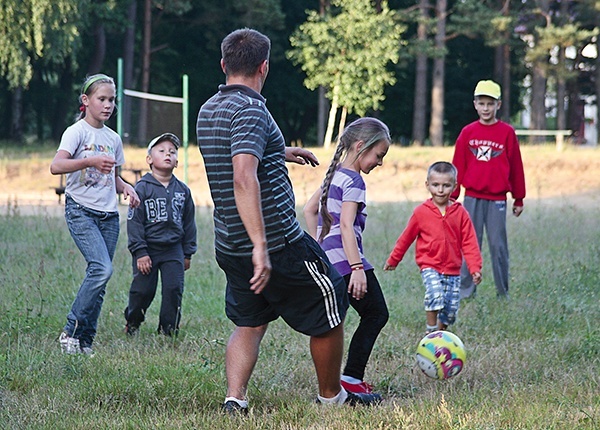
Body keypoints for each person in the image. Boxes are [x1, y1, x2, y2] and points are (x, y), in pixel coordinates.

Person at [197, 28, 381, 413]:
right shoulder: (251, 109)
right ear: (264, 66)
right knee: (331, 303)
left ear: (223, 64)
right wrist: (262, 245)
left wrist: (279, 149)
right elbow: (242, 175)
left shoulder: (210, 108)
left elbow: (236, 149)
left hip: (229, 244)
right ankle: (332, 398)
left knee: (250, 320)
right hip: (276, 243)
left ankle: (235, 400)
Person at [50, 73, 140, 355]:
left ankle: (84, 342)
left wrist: (126, 187)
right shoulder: (76, 132)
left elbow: (112, 177)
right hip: (81, 210)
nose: (108, 105)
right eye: (102, 99)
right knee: (102, 268)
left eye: (112, 100)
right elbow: (56, 166)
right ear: (86, 101)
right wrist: (89, 160)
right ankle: (70, 331)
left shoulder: (113, 138)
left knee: (100, 278)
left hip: (109, 216)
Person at [303, 117, 390, 395]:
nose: (379, 163)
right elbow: (345, 225)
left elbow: (309, 209)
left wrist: (320, 246)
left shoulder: (336, 174)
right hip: (347, 264)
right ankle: (351, 379)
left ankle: (339, 382)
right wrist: (356, 267)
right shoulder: (354, 181)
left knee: (338, 322)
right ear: (361, 146)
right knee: (376, 314)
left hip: (329, 262)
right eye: (379, 155)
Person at [383, 162, 482, 334]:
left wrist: (475, 268)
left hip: (453, 269)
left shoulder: (460, 213)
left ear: (454, 186)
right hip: (430, 266)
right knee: (435, 295)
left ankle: (441, 333)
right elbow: (406, 238)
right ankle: (430, 331)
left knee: (450, 310)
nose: (441, 190)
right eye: (436, 185)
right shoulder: (421, 212)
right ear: (427, 185)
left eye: (446, 185)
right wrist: (394, 260)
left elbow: (469, 242)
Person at [451, 80, 526, 299]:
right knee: (470, 245)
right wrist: (452, 196)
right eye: (481, 103)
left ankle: (503, 292)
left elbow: (516, 168)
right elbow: (458, 165)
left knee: (498, 246)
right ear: (475, 104)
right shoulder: (468, 132)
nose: (485, 108)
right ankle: (466, 291)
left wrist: (518, 198)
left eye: (490, 104)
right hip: (472, 197)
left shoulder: (507, 133)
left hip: (497, 200)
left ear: (498, 105)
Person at [124, 132, 197, 337]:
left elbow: (189, 222)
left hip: (174, 249)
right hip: (148, 248)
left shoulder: (183, 190)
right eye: (162, 151)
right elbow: (134, 222)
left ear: (176, 162)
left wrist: (187, 253)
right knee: (143, 291)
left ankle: (168, 330)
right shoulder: (142, 188)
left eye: (172, 152)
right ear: (149, 159)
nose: (168, 154)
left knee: (174, 290)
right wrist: (140, 252)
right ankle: (133, 322)